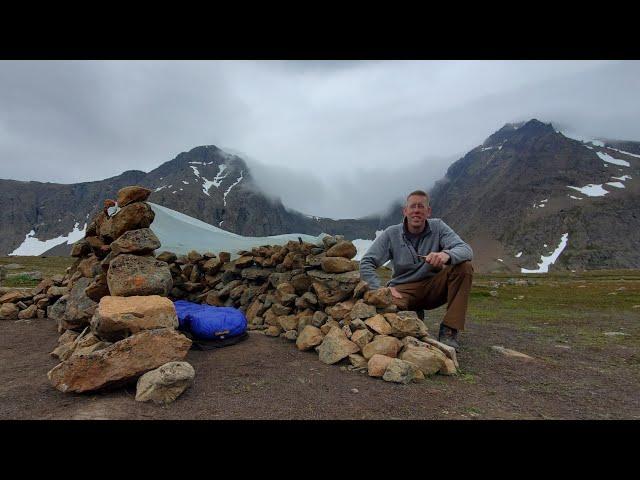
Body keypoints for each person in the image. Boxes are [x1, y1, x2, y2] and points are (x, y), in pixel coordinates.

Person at [359, 190, 473, 350]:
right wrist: (380, 290)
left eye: (421, 206)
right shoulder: (392, 233)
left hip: (434, 287)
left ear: (428, 211)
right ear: (405, 211)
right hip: (403, 290)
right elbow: (367, 262)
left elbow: (466, 250)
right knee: (387, 315)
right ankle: (414, 316)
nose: (417, 210)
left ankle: (449, 330)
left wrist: (446, 255)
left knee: (464, 267)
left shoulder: (438, 227)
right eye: (412, 206)